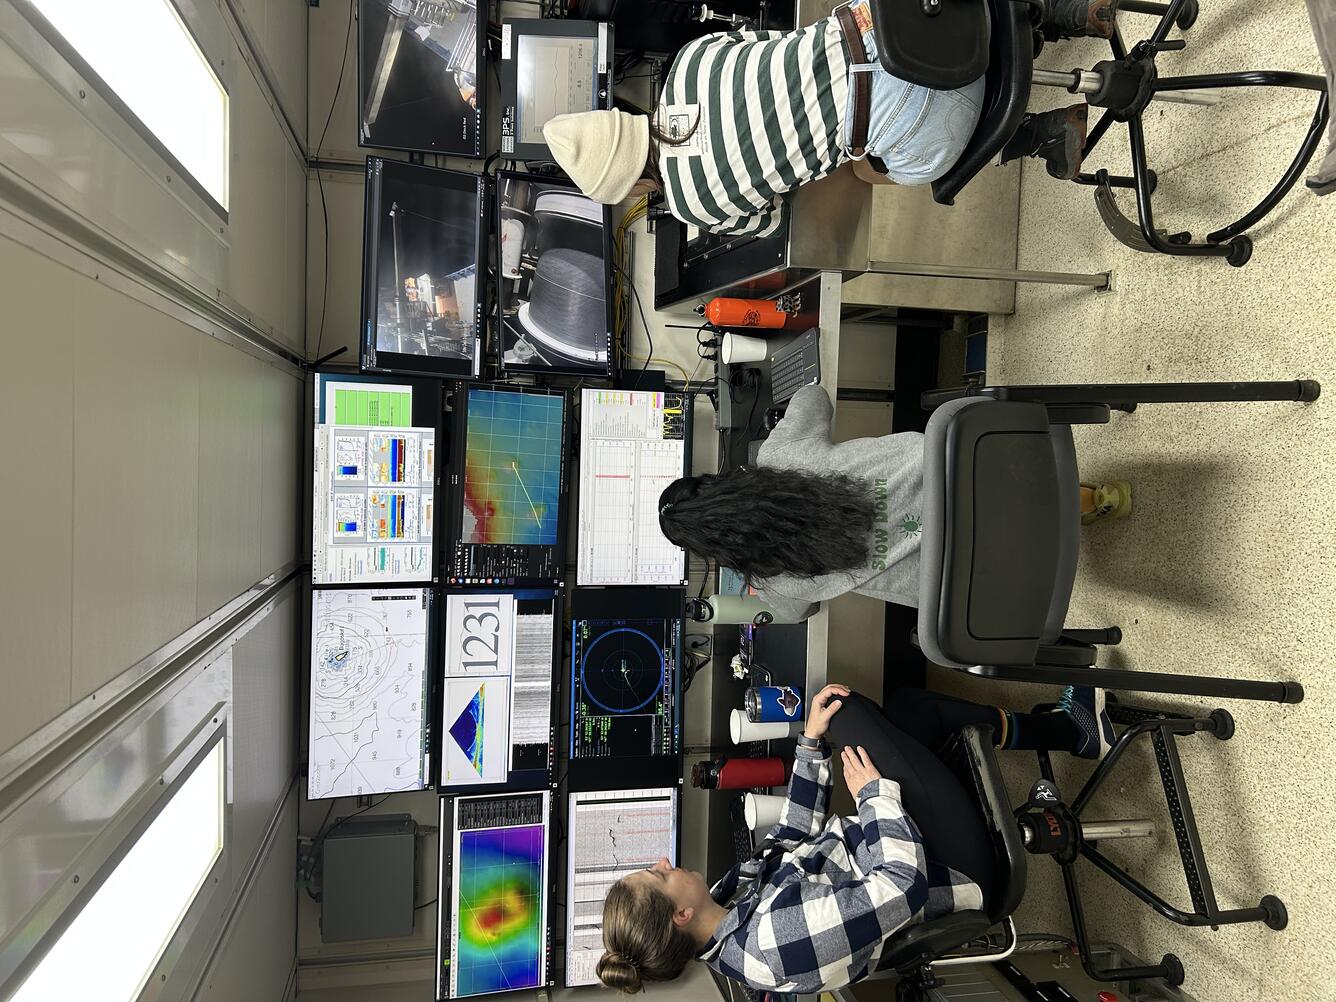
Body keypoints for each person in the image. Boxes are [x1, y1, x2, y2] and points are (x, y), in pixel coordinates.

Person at [596, 682, 1116, 994]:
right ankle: (1073, 730)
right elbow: (901, 886)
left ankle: (1065, 729)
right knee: (854, 710)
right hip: (944, 871)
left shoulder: (725, 903)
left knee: (906, 710)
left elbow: (791, 836)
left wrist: (809, 745)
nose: (664, 862)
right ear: (680, 915)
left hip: (898, 840)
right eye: (658, 876)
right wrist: (872, 797)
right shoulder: (770, 945)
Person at [657, 383, 1130, 620]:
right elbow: (813, 396)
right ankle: (1088, 500)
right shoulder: (781, 458)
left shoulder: (780, 582)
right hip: (989, 471)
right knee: (975, 486)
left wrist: (764, 583)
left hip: (996, 582)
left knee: (971, 535)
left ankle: (1051, 524)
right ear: (716, 484)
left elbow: (800, 613)